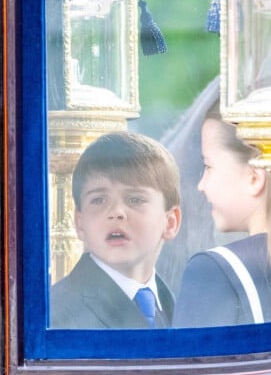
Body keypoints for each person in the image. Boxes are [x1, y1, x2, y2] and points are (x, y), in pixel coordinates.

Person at [173, 106, 271, 327]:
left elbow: (186, 361)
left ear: (253, 178)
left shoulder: (212, 272)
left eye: (208, 167)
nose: (201, 185)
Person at [50, 131, 181, 329]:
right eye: (99, 200)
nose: (117, 212)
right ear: (80, 223)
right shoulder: (56, 314)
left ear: (170, 222)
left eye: (135, 199)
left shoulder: (179, 310)